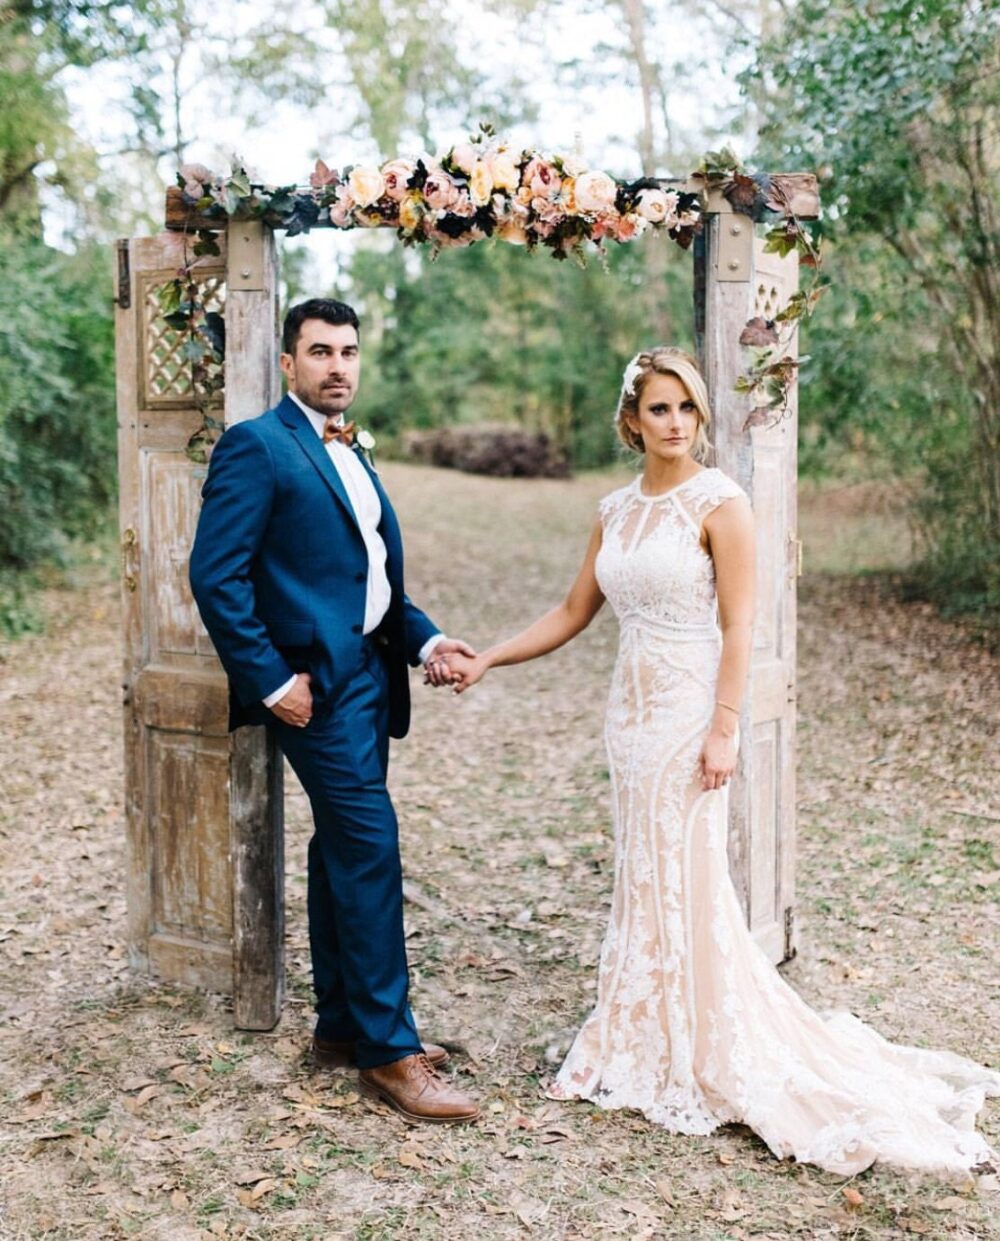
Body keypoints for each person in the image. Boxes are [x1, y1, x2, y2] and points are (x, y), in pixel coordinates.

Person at [442, 347, 1000, 1174]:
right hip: (627, 717)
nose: (676, 423)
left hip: (688, 710)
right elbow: (571, 610)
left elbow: (742, 625)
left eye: (687, 409)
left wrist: (726, 725)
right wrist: (487, 657)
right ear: (632, 419)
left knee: (686, 870)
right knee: (640, 868)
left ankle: (699, 1041)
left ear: (700, 418)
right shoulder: (614, 508)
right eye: (660, 409)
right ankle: (636, 1032)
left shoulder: (720, 502)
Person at [189, 298, 480, 1124]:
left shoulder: (353, 452)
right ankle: (392, 1054)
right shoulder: (258, 446)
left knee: (343, 851)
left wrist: (427, 643)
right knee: (370, 840)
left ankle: (343, 1028)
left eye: (348, 351)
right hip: (312, 691)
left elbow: (374, 579)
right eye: (320, 351)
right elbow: (216, 574)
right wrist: (272, 679)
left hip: (369, 681)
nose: (338, 366)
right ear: (289, 363)